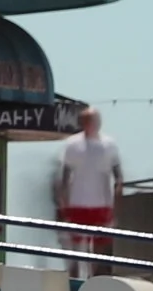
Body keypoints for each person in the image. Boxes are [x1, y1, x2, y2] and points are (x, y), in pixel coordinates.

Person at [52, 107, 123, 275]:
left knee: (100, 251)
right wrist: (64, 206)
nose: (92, 124)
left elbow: (118, 177)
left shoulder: (109, 145)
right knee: (75, 252)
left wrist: (116, 208)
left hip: (102, 205)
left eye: (94, 120)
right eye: (88, 121)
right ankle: (74, 287)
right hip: (77, 205)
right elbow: (64, 178)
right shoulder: (72, 145)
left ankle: (95, 283)